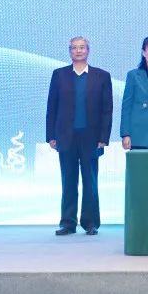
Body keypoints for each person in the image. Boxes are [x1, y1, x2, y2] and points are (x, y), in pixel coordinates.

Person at [46, 36, 113, 236]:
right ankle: (68, 223)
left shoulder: (102, 76)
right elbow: (52, 106)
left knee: (90, 181)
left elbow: (107, 110)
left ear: (88, 50)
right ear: (70, 51)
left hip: (91, 138)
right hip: (65, 136)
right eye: (74, 48)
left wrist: (104, 137)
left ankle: (91, 223)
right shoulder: (59, 75)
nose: (78, 50)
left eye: (82, 47)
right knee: (68, 181)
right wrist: (51, 135)